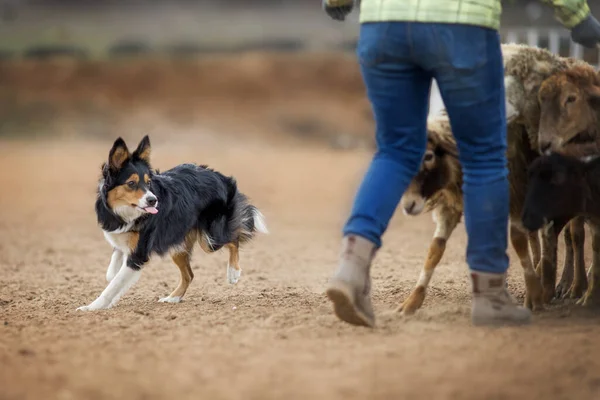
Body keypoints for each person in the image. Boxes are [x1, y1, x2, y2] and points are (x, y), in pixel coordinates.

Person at [323, 0, 600, 327]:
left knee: (395, 151)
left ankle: (351, 267)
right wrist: (577, 15)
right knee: (484, 156)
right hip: (461, 24)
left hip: (384, 25)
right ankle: (490, 294)